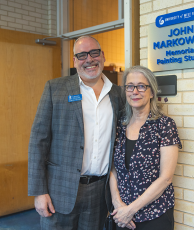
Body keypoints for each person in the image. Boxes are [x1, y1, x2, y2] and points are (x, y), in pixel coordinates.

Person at [28, 36, 124, 230]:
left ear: (103, 56)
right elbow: (38, 140)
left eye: (94, 53)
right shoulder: (55, 89)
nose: (89, 59)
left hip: (99, 193)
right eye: (81, 55)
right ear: (74, 61)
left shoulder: (118, 94)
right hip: (59, 191)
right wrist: (39, 192)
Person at [109, 66, 182, 230]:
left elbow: (166, 178)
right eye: (130, 86)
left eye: (141, 86)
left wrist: (131, 210)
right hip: (121, 215)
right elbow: (113, 168)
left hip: (155, 215)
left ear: (152, 92)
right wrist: (117, 203)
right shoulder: (120, 125)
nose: (135, 91)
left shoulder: (165, 125)